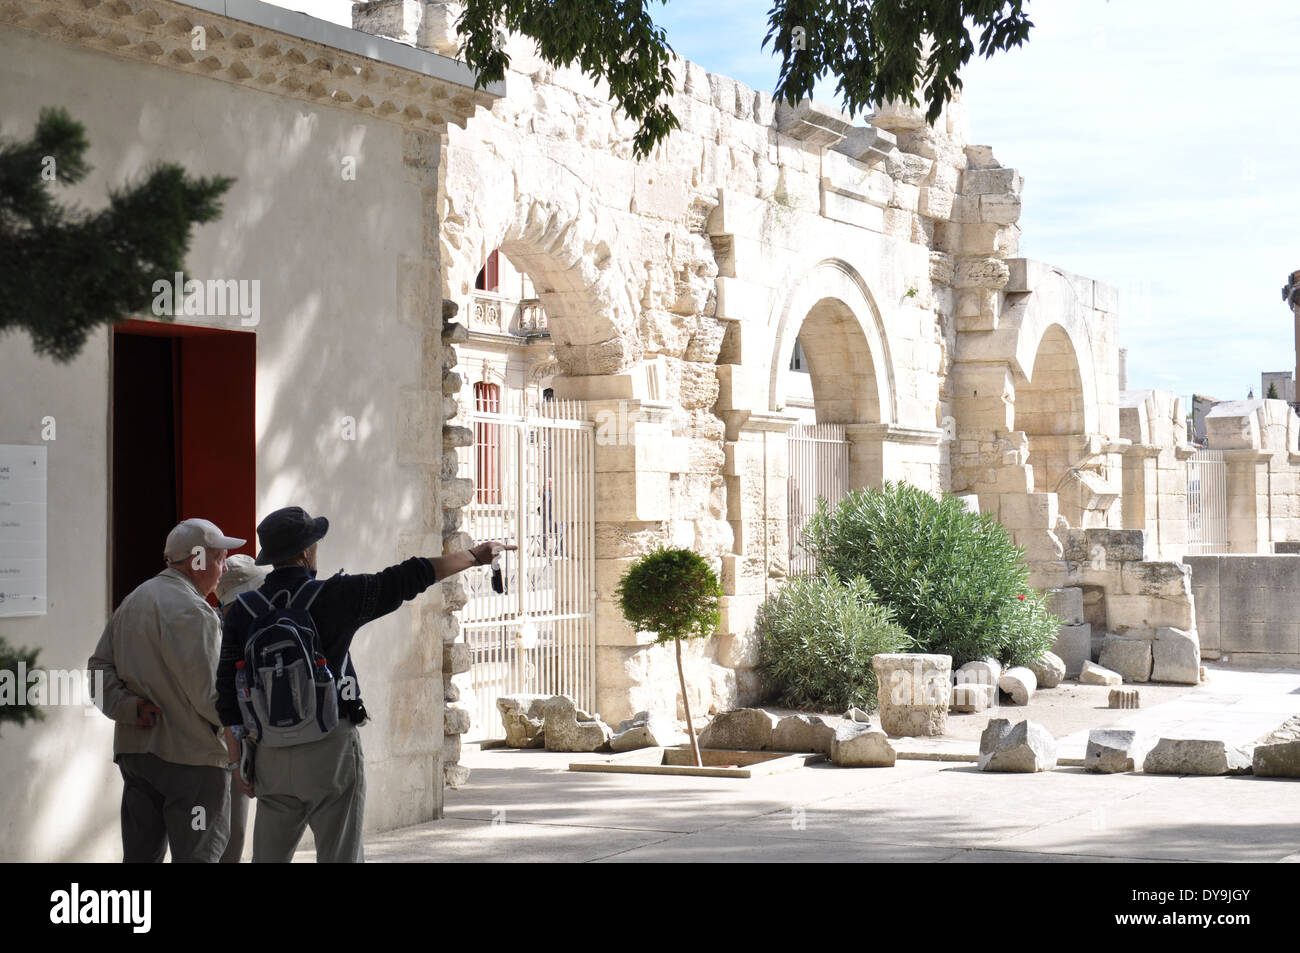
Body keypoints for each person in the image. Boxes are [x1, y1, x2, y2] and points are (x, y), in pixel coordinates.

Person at [216, 505, 512, 863]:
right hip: (330, 748)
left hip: (269, 753)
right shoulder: (336, 595)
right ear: (305, 552)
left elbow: (228, 696)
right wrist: (473, 556)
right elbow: (405, 578)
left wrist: (239, 766)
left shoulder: (244, 610)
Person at [88, 518, 245, 863]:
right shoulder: (196, 612)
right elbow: (212, 698)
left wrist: (130, 708)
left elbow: (98, 672)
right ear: (197, 561)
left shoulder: (132, 601)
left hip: (137, 756)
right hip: (193, 763)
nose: (222, 570)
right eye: (219, 560)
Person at [212, 553, 270, 863]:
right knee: (226, 840)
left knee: (233, 838)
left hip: (237, 747)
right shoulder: (216, 630)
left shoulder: (246, 625)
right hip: (223, 751)